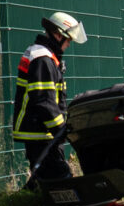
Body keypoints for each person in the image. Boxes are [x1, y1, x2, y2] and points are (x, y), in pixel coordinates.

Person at [14, 12, 87, 184]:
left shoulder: (48, 57)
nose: (69, 44)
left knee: (46, 182)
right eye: (68, 39)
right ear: (58, 34)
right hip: (40, 133)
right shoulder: (43, 59)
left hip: (45, 133)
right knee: (60, 180)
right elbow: (44, 101)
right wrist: (61, 129)